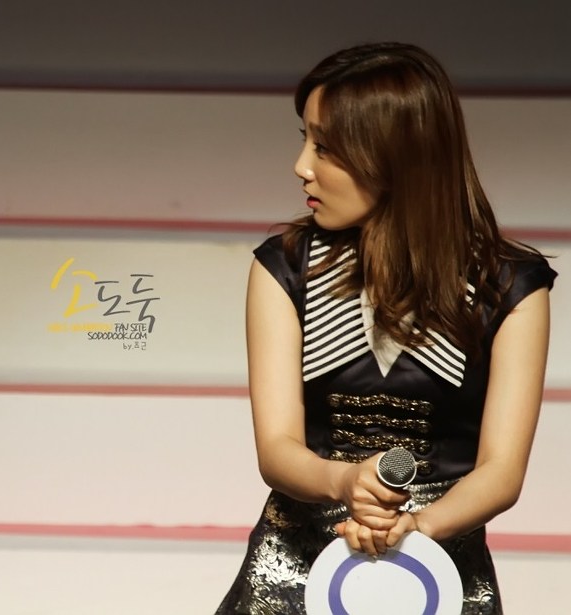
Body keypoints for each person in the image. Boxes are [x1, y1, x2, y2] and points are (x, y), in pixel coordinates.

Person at [214, 42, 556, 614]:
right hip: (292, 566)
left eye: (325, 147)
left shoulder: (509, 285)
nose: (302, 166)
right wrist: (345, 482)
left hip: (439, 568)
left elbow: (501, 472)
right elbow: (276, 449)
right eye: (305, 140)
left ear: (394, 158)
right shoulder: (286, 266)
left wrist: (417, 528)